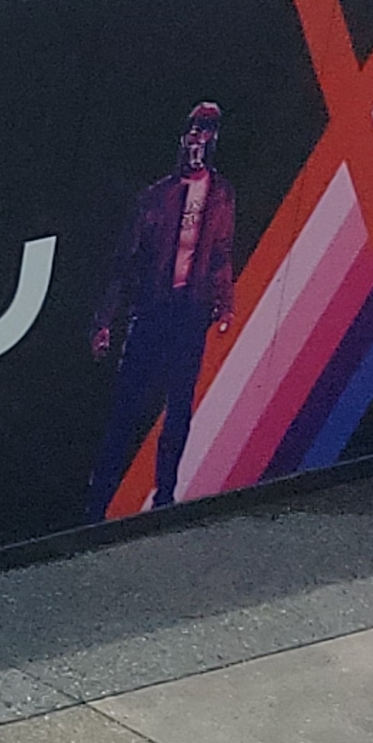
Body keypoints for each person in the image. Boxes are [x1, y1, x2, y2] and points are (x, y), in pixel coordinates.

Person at [90, 102, 240, 518]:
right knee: (126, 409)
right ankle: (98, 502)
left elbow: (221, 255)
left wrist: (224, 306)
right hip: (151, 312)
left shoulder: (221, 194)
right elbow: (125, 263)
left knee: (178, 409)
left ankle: (165, 497)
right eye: (193, 130)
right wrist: (105, 321)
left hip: (188, 315)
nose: (198, 139)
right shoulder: (156, 197)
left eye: (206, 131)